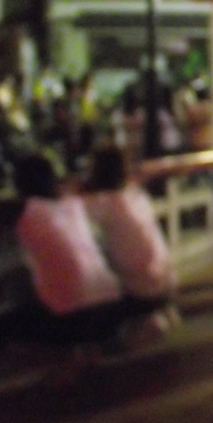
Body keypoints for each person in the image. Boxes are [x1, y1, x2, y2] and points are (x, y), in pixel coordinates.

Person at [80, 142, 182, 340]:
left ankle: (143, 319)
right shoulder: (135, 193)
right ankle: (160, 311)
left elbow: (68, 210)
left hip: (140, 291)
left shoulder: (101, 202)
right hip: (168, 280)